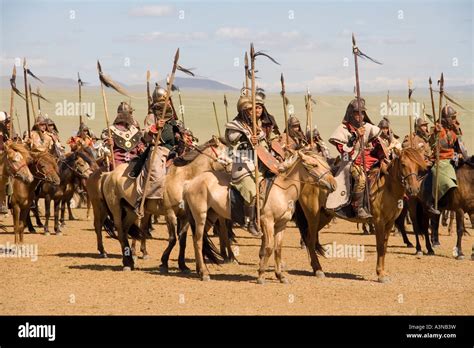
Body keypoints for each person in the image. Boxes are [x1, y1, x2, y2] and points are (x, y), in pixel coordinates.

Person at [225, 95, 275, 236]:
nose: (252, 112)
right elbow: (232, 141)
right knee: (252, 192)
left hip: (259, 164)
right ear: (242, 111)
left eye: (253, 110)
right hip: (243, 164)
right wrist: (247, 138)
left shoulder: (256, 125)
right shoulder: (235, 126)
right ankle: (249, 222)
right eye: (248, 110)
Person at [329, 98, 385, 219]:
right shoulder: (342, 130)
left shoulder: (368, 127)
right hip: (350, 160)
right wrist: (355, 136)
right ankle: (357, 207)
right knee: (361, 178)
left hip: (368, 158)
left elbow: (377, 142)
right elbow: (344, 152)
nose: (360, 116)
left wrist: (383, 152)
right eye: (356, 113)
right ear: (350, 114)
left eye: (362, 113)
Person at [425, 105, 459, 215]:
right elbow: (432, 143)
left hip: (452, 159)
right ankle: (431, 200)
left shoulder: (454, 130)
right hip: (440, 159)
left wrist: (459, 156)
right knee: (434, 172)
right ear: (447, 118)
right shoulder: (438, 130)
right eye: (452, 118)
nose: (454, 120)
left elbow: (458, 147)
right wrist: (436, 133)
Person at [101, 102, 145, 167]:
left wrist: (141, 147)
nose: (132, 116)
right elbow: (106, 147)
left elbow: (139, 143)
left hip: (135, 160)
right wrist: (109, 144)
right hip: (118, 161)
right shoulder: (110, 130)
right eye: (130, 113)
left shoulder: (134, 130)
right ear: (124, 114)